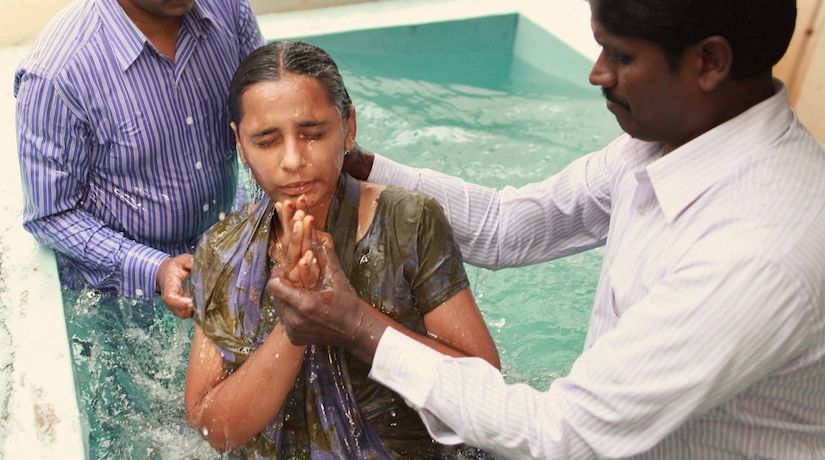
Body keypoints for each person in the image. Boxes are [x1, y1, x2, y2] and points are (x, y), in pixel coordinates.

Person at [268, 0, 825, 458]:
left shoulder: (756, 251)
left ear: (709, 63)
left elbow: (563, 435)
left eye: (621, 55)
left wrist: (356, 326)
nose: (597, 73)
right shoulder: (664, 144)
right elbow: (506, 225)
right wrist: (355, 164)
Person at [183, 41, 500, 458]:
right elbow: (213, 429)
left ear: (348, 126)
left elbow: (487, 395)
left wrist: (346, 316)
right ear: (239, 144)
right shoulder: (223, 252)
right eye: (266, 141)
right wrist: (295, 327)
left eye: (313, 134)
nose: (293, 160)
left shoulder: (407, 222)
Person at [14, 0, 265, 318]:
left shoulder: (229, 9)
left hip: (224, 243)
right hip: (118, 299)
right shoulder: (57, 75)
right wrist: (155, 269)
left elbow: (268, 117)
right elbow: (50, 216)